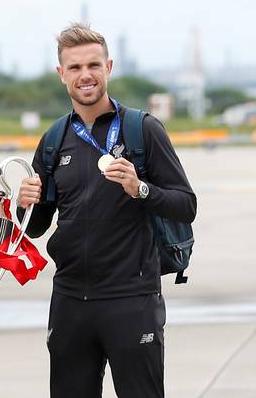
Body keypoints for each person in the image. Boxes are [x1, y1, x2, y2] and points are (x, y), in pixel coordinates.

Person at [17, 23, 196, 398]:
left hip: (131, 298)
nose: (86, 75)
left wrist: (141, 188)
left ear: (109, 67)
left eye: (93, 65)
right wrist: (25, 203)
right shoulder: (53, 140)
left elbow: (185, 204)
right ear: (61, 74)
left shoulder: (142, 130)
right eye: (75, 67)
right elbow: (35, 227)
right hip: (69, 301)